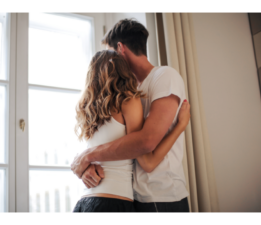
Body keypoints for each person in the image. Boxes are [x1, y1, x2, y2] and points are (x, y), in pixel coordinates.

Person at [71, 19, 190, 212]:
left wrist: (87, 156)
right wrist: (87, 166)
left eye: (111, 52)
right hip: (132, 196)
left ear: (120, 48)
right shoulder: (127, 92)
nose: (110, 60)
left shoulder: (164, 76)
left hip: (160, 195)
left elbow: (146, 142)